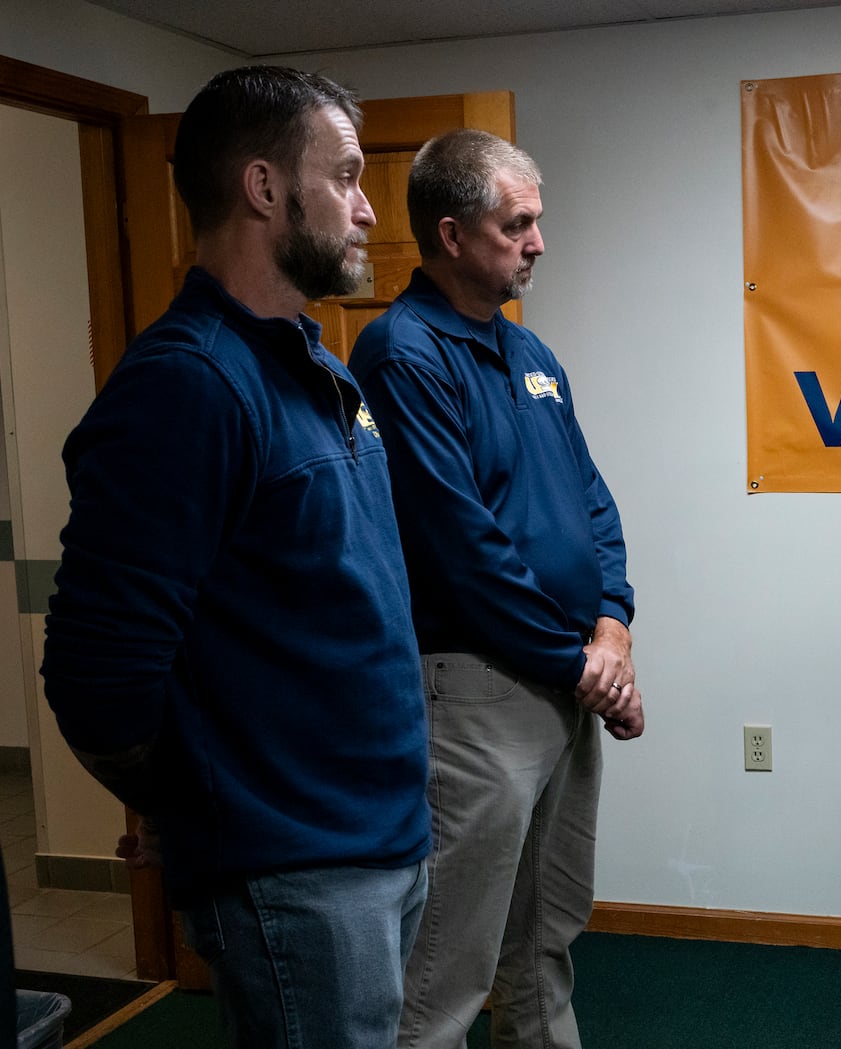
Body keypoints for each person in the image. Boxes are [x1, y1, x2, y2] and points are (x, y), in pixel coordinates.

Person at [40, 66, 430, 1049]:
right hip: (294, 865)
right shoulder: (187, 388)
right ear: (264, 189)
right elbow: (97, 673)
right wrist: (202, 799)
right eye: (344, 176)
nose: (367, 206)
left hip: (382, 833)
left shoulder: (318, 367)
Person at [347, 128, 643, 1049]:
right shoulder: (403, 355)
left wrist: (614, 625)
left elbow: (592, 499)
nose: (538, 242)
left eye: (537, 221)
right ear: (452, 234)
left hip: (565, 681)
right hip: (477, 693)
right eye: (518, 224)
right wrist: (582, 660)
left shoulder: (530, 353)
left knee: (545, 939)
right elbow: (460, 548)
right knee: (447, 962)